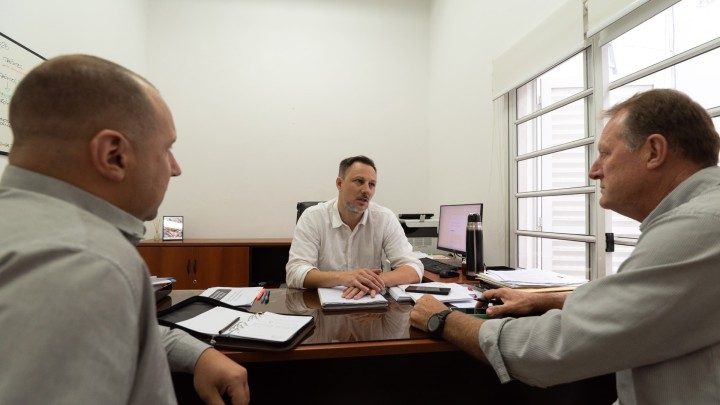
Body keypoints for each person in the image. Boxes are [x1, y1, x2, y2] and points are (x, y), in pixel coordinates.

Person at [410, 88, 720, 404]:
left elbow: (550, 350)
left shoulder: (701, 226)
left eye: (606, 153)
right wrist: (545, 300)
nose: (594, 170)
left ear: (654, 151)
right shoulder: (701, 217)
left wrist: (443, 319)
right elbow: (635, 304)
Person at [0, 55, 249, 404]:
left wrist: (194, 353)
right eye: (167, 149)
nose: (175, 168)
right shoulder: (85, 264)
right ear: (113, 155)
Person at [286, 155, 423, 299]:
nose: (367, 190)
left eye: (372, 184)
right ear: (340, 184)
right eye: (359, 181)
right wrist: (344, 277)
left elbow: (414, 268)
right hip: (320, 304)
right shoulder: (313, 217)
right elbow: (295, 272)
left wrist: (374, 281)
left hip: (368, 303)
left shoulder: (384, 218)